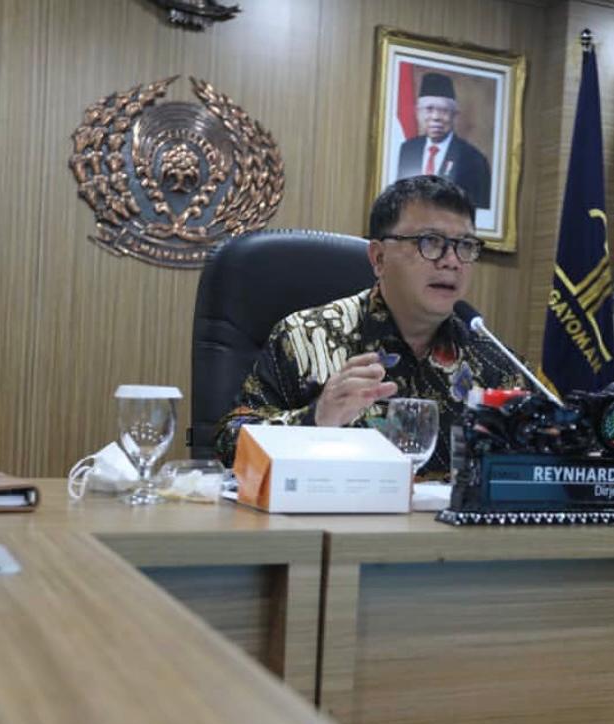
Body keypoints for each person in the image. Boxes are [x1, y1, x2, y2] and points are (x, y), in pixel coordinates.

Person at [215, 175, 526, 476]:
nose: (452, 261)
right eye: (430, 242)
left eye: (465, 245)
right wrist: (315, 418)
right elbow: (228, 446)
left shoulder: (494, 363)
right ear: (378, 258)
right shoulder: (305, 337)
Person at [397, 73, 491, 209]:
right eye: (429, 109)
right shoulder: (407, 149)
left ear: (454, 115)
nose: (436, 117)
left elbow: (481, 213)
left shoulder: (474, 160)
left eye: (444, 111)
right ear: (417, 113)